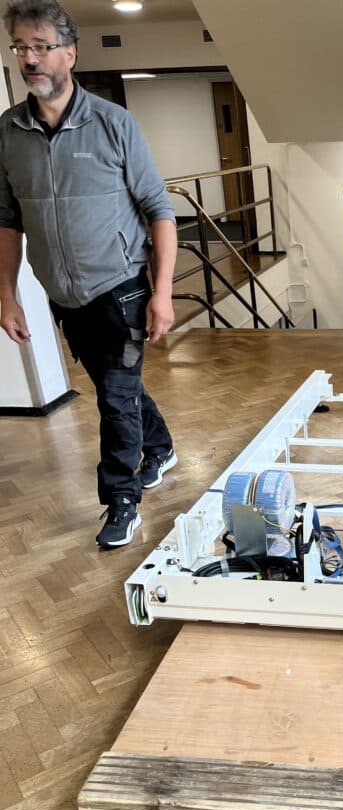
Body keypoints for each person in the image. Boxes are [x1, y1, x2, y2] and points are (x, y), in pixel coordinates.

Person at [0, 0, 178, 546]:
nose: (29, 59)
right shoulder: (8, 131)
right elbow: (6, 221)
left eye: (40, 47)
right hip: (62, 295)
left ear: (69, 54)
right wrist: (7, 296)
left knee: (114, 396)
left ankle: (121, 501)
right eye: (20, 48)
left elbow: (160, 210)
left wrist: (163, 294)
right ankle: (162, 446)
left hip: (121, 287)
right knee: (111, 385)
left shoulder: (112, 123)